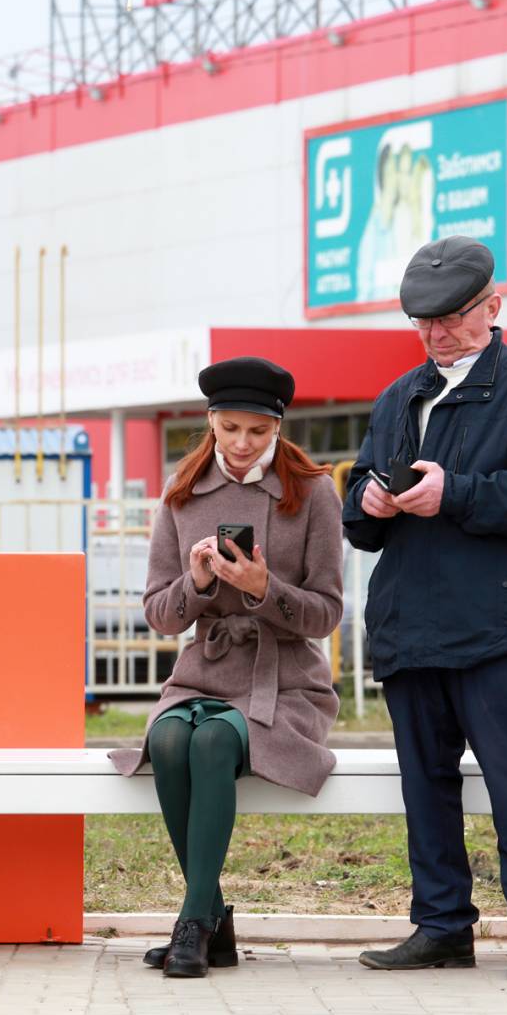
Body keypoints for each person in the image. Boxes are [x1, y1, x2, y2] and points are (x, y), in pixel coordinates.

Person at [341, 236, 507, 982]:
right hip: (410, 627)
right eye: (423, 323)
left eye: (450, 319)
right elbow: (358, 521)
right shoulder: (397, 397)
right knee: (426, 789)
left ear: (492, 307)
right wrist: (369, 501)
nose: (436, 334)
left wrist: (458, 491)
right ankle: (441, 924)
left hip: (496, 629)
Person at [111, 357, 344, 978]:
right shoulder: (181, 492)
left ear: (278, 428)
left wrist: (267, 589)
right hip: (203, 669)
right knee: (167, 736)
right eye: (231, 428)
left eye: (258, 432)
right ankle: (212, 920)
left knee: (213, 741)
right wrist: (196, 580)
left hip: (286, 679)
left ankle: (192, 925)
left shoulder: (313, 490)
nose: (242, 445)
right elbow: (161, 614)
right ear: (210, 422)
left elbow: (326, 614)